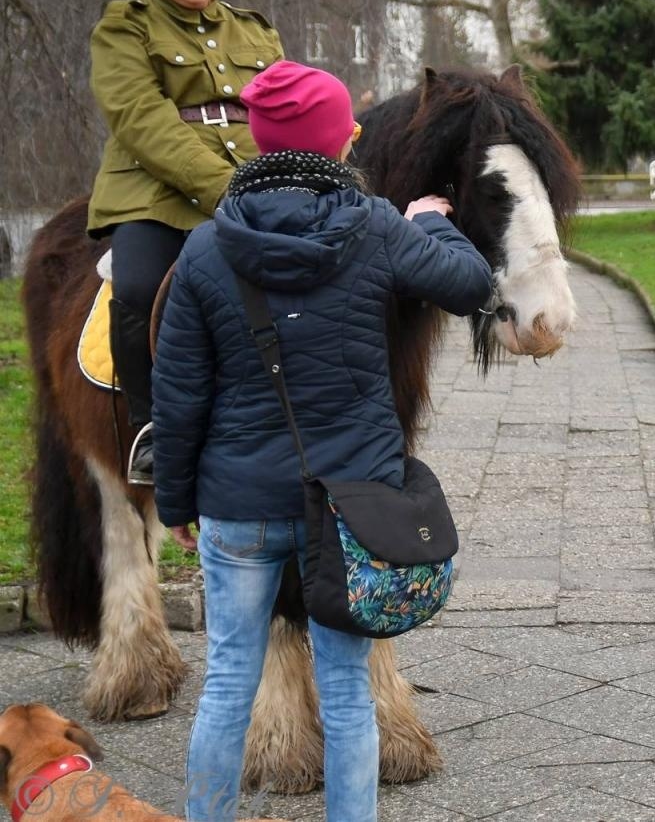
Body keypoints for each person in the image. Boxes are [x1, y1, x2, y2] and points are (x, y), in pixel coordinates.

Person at [150, 61, 493, 820]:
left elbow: (178, 396)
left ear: (259, 142)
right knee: (345, 690)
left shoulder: (205, 249)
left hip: (237, 507)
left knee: (227, 683)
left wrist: (175, 501)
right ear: (340, 140)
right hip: (349, 507)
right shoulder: (378, 228)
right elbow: (471, 286)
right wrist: (431, 221)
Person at [89, 0, 283, 485]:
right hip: (152, 189)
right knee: (139, 286)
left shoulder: (254, 30)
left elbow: (286, 106)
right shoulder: (125, 29)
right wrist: (229, 188)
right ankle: (151, 429)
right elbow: (142, 121)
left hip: (253, 176)